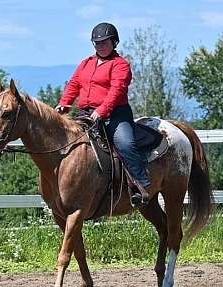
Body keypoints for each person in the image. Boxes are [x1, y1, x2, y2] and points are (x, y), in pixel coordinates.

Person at [55, 22, 151, 207]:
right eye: (97, 43)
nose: (100, 46)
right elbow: (74, 84)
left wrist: (101, 111)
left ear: (114, 42)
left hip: (115, 115)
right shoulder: (86, 63)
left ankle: (141, 185)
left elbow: (116, 91)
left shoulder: (120, 65)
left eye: (104, 42)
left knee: (125, 143)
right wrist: (64, 104)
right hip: (87, 114)